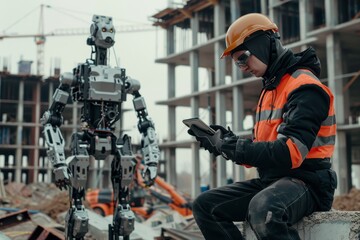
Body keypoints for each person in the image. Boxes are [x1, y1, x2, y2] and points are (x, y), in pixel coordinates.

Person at [187, 13, 337, 240]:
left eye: (243, 58)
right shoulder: (271, 89)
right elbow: (264, 150)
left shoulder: (305, 88)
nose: (242, 67)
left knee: (264, 209)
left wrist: (236, 147)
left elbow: (290, 153)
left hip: (309, 183)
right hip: (274, 181)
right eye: (237, 62)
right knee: (205, 205)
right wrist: (225, 143)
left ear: (263, 44)